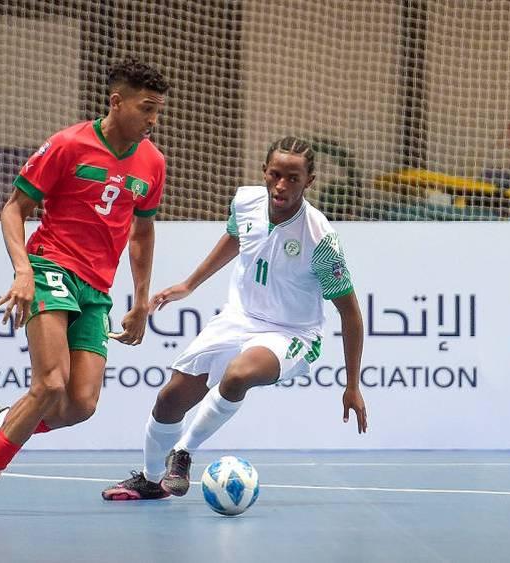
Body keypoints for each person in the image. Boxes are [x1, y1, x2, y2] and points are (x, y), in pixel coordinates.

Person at [0, 57, 170, 516]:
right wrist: (23, 270)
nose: (153, 120)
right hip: (51, 267)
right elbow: (14, 208)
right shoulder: (68, 145)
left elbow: (142, 232)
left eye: (157, 111)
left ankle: (3, 421)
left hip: (96, 289)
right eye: (146, 108)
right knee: (49, 384)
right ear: (116, 102)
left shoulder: (153, 163)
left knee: (80, 405)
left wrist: (142, 300)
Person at [101, 136, 367, 502]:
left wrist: (352, 384)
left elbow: (350, 315)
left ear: (310, 181)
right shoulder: (245, 202)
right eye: (275, 174)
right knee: (170, 399)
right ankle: (150, 479)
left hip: (291, 333)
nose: (281, 185)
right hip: (238, 317)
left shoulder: (320, 239)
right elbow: (235, 239)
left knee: (239, 374)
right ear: (264, 172)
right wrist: (189, 285)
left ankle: (183, 453)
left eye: (293, 177)